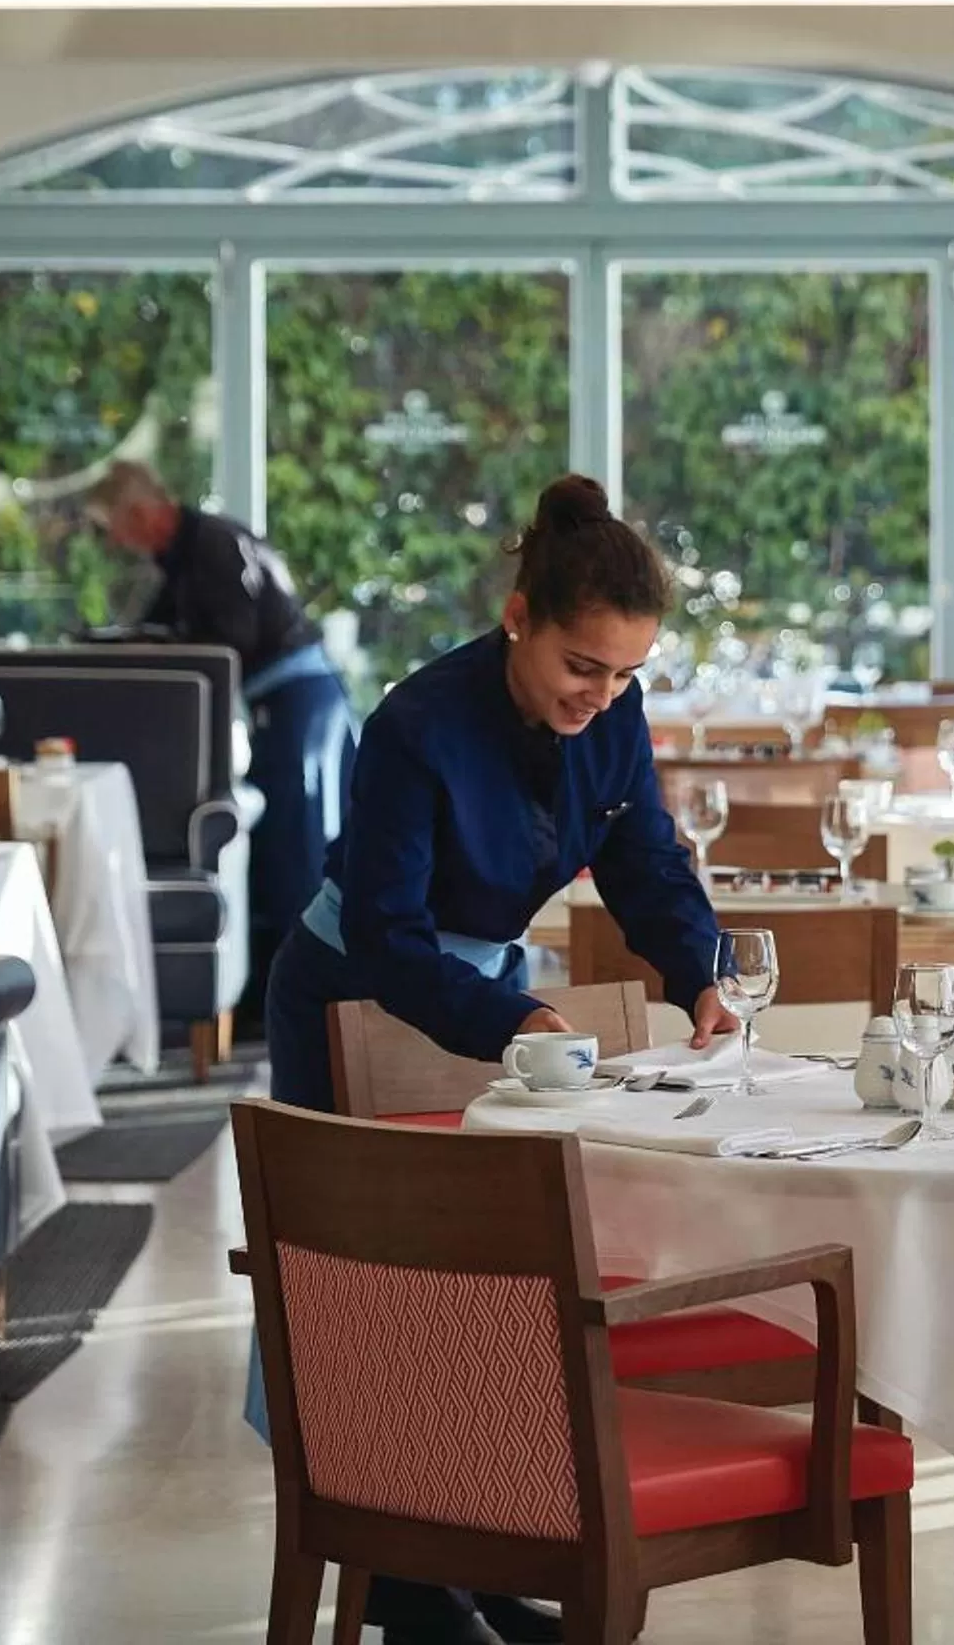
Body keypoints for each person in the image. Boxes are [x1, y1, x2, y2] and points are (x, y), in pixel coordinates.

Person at [257, 473, 738, 1645]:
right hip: (351, 995)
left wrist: (702, 978)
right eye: (584, 665)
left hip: (480, 999)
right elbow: (387, 937)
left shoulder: (612, 719)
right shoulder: (415, 724)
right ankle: (410, 1590)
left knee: (493, 1282)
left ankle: (478, 1550)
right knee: (377, 1292)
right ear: (520, 618)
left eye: (626, 673)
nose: (602, 696)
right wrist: (507, 1023)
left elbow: (645, 868)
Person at [90, 462, 353, 1011]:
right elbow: (165, 629)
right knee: (283, 845)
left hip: (298, 697)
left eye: (113, 528)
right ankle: (280, 992)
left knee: (291, 849)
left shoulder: (211, 546)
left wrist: (152, 648)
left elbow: (226, 643)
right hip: (286, 698)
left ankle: (297, 1000)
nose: (115, 542)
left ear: (139, 514)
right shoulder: (193, 549)